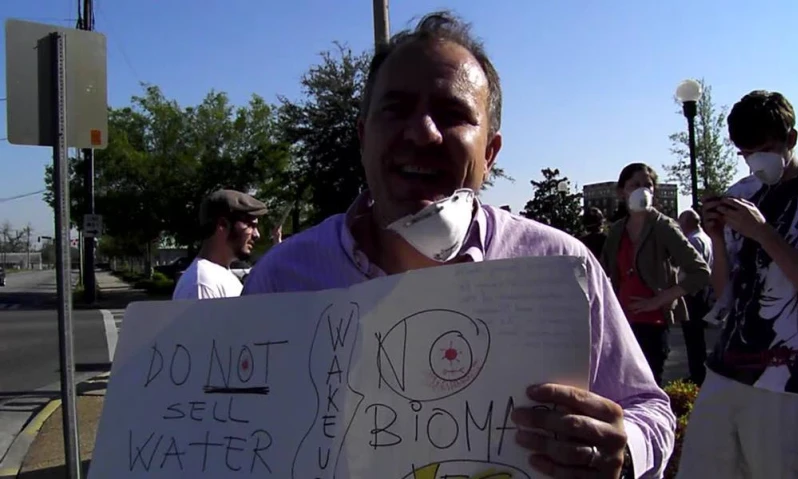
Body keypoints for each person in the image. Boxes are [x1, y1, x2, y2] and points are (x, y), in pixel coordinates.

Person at [244, 11, 675, 478]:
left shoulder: (562, 267)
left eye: (452, 115)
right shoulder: (283, 279)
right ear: (363, 137)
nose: (422, 132)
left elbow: (648, 407)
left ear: (490, 153)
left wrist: (624, 447)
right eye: (395, 109)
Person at [676, 91, 798, 479]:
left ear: (792, 139)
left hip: (789, 382)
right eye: (746, 153)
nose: (757, 161)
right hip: (726, 371)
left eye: (767, 148)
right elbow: (726, 294)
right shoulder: (743, 193)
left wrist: (763, 232)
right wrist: (717, 239)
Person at [599, 163, 710, 386]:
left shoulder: (664, 227)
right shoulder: (617, 230)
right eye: (635, 185)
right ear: (622, 192)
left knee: (648, 386)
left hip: (653, 323)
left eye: (648, 185)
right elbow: (604, 273)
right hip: (620, 322)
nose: (643, 190)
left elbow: (700, 272)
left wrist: (659, 300)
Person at [172, 189, 268, 300]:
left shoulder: (219, 276)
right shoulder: (203, 284)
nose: (257, 235)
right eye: (250, 225)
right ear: (222, 225)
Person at [677, 209, 714, 385]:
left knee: (693, 338)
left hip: (693, 293)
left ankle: (697, 374)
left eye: (680, 223)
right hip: (702, 292)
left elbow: (690, 270)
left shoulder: (693, 241)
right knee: (696, 337)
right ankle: (699, 371)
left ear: (687, 223)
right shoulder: (705, 238)